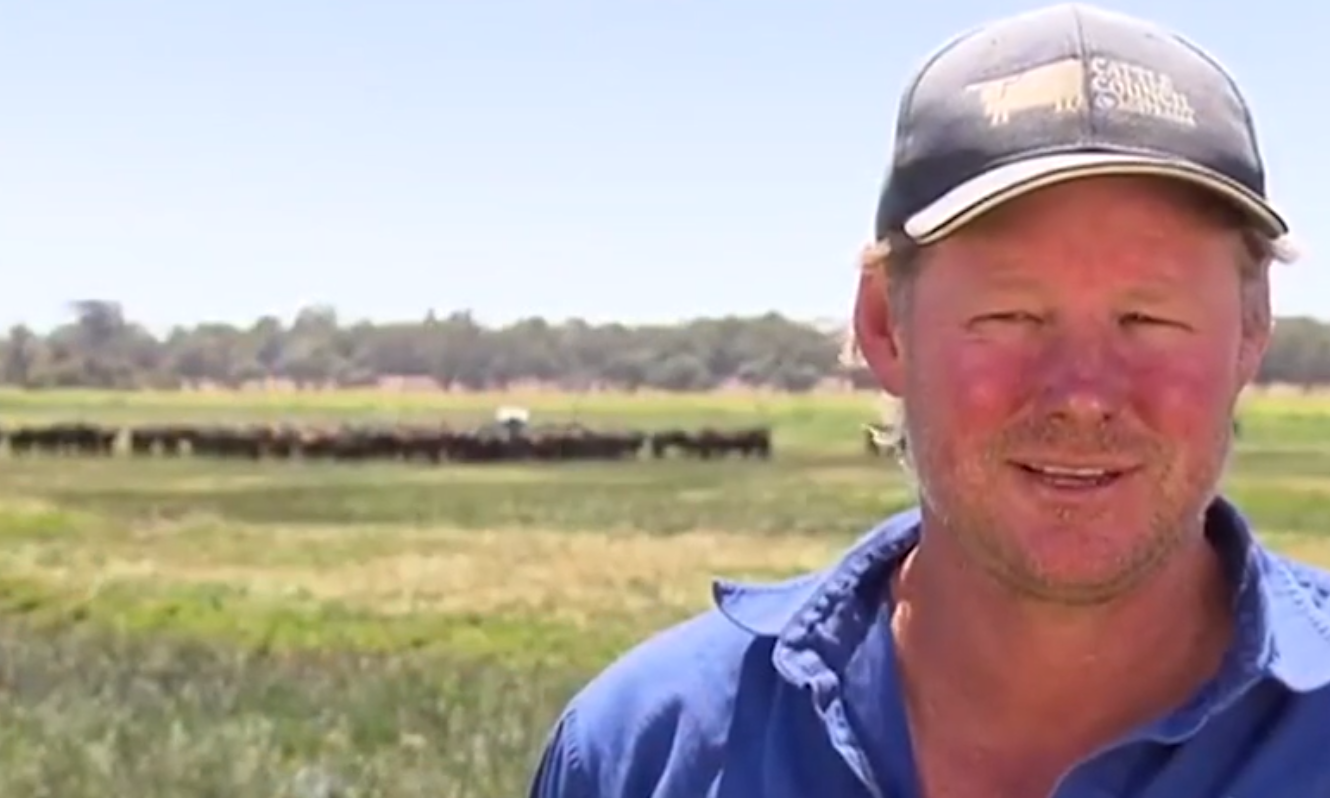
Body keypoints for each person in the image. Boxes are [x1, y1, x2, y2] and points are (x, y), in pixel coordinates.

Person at [528, 4, 1330, 797]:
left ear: (1252, 328)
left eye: (1149, 319)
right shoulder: (649, 754)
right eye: (1011, 316)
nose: (1084, 397)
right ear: (885, 326)